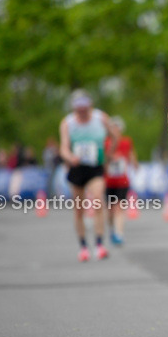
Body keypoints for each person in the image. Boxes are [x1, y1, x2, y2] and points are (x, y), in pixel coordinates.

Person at [60, 89, 118, 262]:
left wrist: (108, 155)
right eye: (79, 110)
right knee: (79, 210)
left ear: (89, 107)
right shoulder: (67, 123)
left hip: (95, 167)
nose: (82, 113)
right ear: (74, 109)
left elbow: (115, 136)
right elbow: (64, 148)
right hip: (77, 168)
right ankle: (83, 246)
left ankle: (99, 244)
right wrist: (70, 157)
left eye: (85, 109)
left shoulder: (101, 118)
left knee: (98, 200)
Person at [104, 116, 138, 246]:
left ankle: (119, 234)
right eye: (113, 127)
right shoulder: (106, 142)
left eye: (117, 127)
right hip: (109, 181)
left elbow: (131, 155)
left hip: (122, 181)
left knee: (119, 208)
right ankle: (112, 229)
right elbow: (103, 159)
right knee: (110, 210)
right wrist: (111, 157)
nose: (116, 130)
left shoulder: (126, 142)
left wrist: (134, 163)